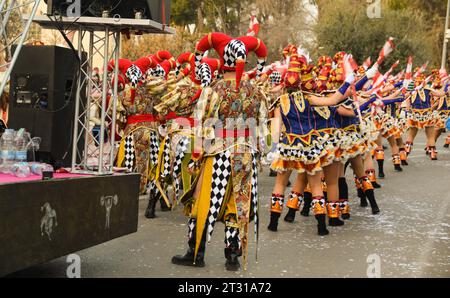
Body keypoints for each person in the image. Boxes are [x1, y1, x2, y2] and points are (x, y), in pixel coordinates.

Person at [172, 32, 268, 271]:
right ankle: (232, 256)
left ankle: (196, 252)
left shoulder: (212, 90)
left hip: (217, 153)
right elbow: (262, 127)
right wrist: (259, 156)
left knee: (204, 201)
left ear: (222, 60)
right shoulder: (256, 92)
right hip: (245, 154)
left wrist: (196, 157)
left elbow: (201, 125)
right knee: (236, 204)